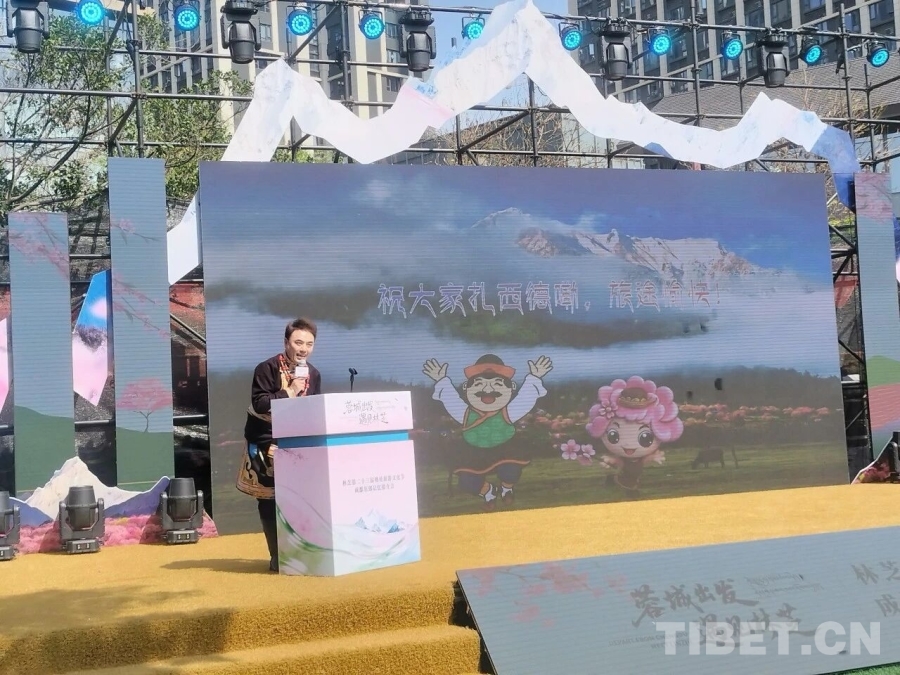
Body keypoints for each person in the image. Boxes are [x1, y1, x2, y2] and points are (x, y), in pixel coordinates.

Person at [235, 317, 322, 572]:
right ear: (286, 343)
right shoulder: (266, 368)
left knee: (301, 498)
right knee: (269, 499)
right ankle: (277, 555)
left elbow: (315, 407)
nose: (303, 349)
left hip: (298, 442)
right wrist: (290, 391)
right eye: (298, 342)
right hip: (266, 441)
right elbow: (260, 403)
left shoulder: (314, 373)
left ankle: (301, 552)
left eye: (309, 344)